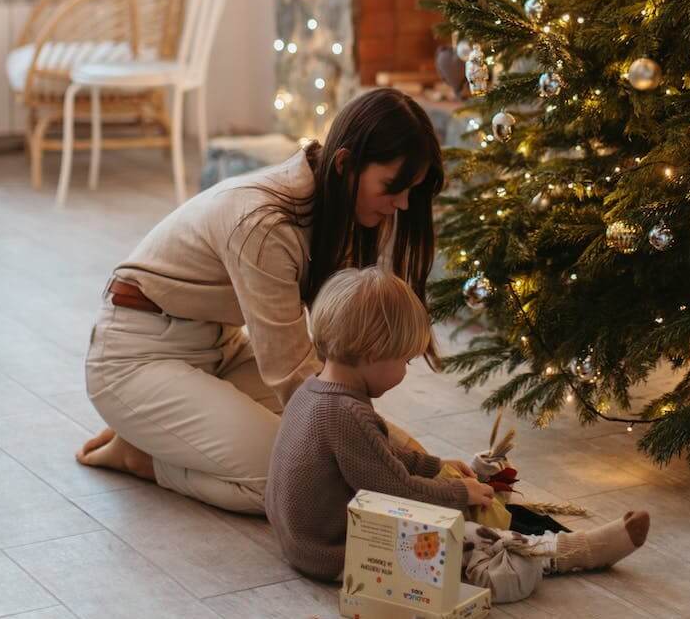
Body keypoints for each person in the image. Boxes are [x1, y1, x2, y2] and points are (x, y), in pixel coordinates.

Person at [76, 88, 443, 514]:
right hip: (134, 357)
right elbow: (298, 377)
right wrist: (400, 460)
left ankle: (162, 436)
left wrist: (416, 463)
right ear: (344, 163)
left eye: (411, 190)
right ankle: (144, 458)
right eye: (393, 186)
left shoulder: (352, 211)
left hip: (219, 350)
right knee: (302, 483)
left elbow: (336, 377)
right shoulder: (264, 225)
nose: (402, 204)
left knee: (334, 458)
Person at [265, 265, 650, 604]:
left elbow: (378, 457)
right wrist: (460, 493)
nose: (405, 371)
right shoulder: (347, 413)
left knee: (445, 499)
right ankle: (568, 551)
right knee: (465, 533)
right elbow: (397, 492)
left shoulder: (315, 391)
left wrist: (436, 466)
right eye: (405, 360)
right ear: (372, 351)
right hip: (336, 552)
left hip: (302, 544)